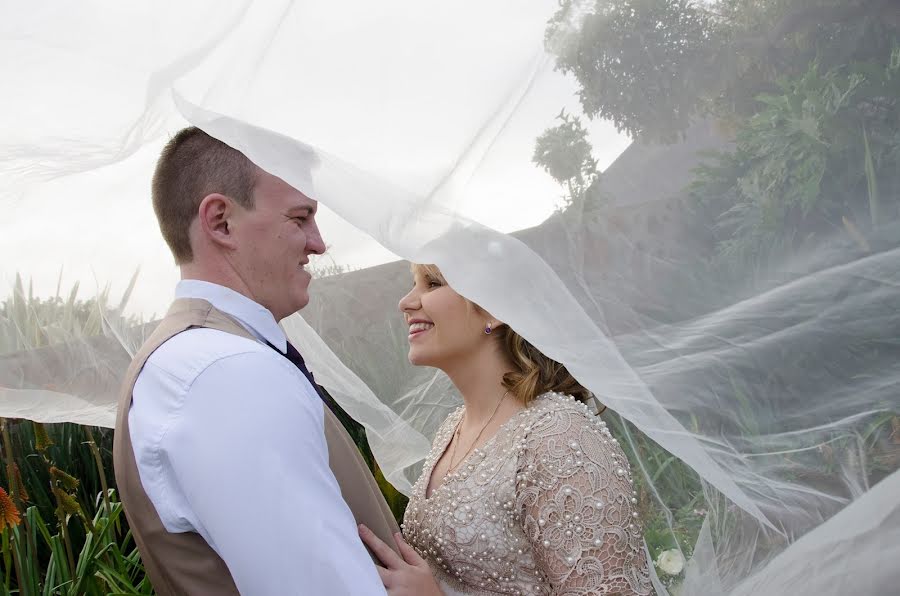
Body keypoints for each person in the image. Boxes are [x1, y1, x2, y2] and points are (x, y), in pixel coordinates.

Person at [112, 127, 397, 595]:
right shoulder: (225, 373)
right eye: (300, 217)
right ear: (221, 222)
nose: (319, 243)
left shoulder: (201, 359)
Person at [360, 264, 653, 596]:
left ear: (492, 308)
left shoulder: (558, 435)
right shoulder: (451, 428)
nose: (406, 302)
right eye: (413, 285)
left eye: (432, 284)